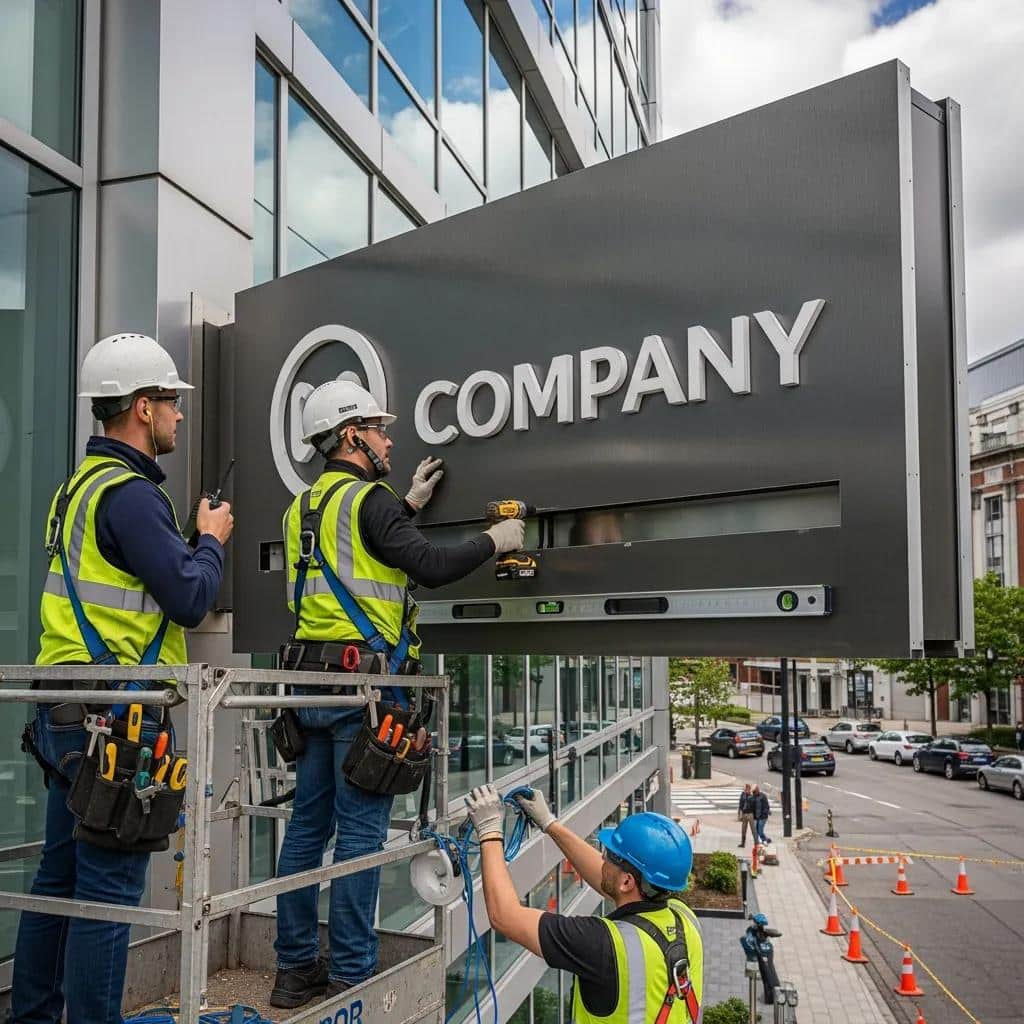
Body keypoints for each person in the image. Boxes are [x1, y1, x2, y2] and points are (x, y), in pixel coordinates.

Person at [270, 379, 526, 1009]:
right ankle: (354, 972)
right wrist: (499, 541)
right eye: (379, 429)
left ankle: (294, 969)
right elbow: (428, 567)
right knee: (359, 834)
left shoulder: (301, 507)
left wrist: (405, 505)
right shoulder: (370, 500)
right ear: (352, 435)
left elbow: (360, 553)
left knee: (306, 830)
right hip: (367, 692)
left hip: (308, 687)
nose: (388, 438)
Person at [12, 333, 234, 1024]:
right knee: (106, 890)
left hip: (66, 708)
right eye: (171, 403)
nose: (179, 415)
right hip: (114, 717)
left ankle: (34, 1017)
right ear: (142, 407)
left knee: (61, 879)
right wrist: (211, 541)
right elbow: (190, 599)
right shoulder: (133, 497)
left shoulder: (79, 487)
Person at [465, 785, 704, 1024]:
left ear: (627, 881)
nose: (601, 857)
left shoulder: (602, 945)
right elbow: (610, 884)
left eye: (610, 855)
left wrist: (489, 832)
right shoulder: (684, 918)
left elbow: (505, 917)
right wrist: (550, 824)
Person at [738, 783, 755, 847]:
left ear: (749, 789)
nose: (745, 790)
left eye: (746, 789)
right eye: (745, 789)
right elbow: (740, 804)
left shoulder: (752, 795)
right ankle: (743, 843)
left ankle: (756, 843)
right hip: (744, 814)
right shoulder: (743, 795)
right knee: (743, 829)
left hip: (750, 814)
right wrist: (740, 814)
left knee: (753, 830)